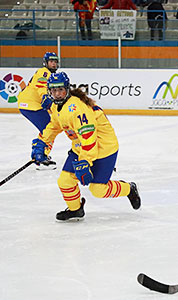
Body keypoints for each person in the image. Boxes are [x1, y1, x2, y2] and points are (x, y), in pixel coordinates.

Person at [30, 72, 141, 222]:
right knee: (65, 181)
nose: (57, 94)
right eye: (54, 90)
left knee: (98, 190)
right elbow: (53, 127)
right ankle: (76, 209)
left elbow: (90, 139)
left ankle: (129, 189)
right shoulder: (57, 107)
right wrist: (42, 144)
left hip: (103, 148)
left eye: (60, 90)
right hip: (81, 146)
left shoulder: (77, 108)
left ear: (67, 89)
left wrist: (85, 162)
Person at [17, 52, 59, 170]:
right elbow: (40, 86)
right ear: (45, 62)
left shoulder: (48, 73)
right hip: (31, 104)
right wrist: (45, 96)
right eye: (51, 61)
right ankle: (39, 155)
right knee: (48, 128)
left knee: (48, 127)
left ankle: (38, 153)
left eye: (55, 61)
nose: (54, 64)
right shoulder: (44, 72)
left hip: (31, 104)